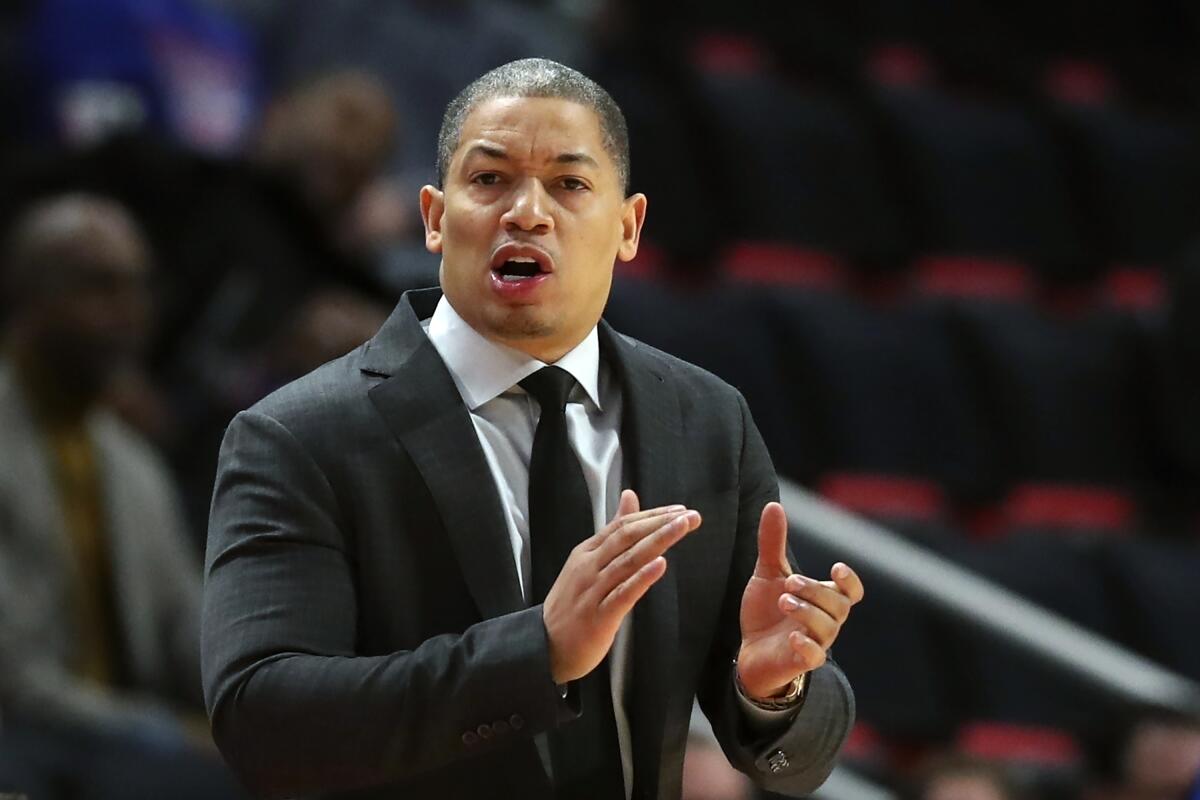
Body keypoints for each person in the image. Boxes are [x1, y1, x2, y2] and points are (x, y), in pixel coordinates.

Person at [202, 58, 861, 799]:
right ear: (434, 217)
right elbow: (260, 723)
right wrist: (537, 653)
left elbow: (797, 759)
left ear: (628, 226)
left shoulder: (706, 420)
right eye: (489, 180)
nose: (528, 212)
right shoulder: (299, 436)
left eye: (570, 184)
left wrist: (771, 691)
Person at [0, 194, 242, 799]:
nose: (130, 313)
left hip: (115, 743)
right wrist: (173, 735)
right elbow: (15, 680)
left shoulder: (131, 464)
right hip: (26, 738)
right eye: (100, 287)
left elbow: (187, 636)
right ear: (31, 296)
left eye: (137, 288)